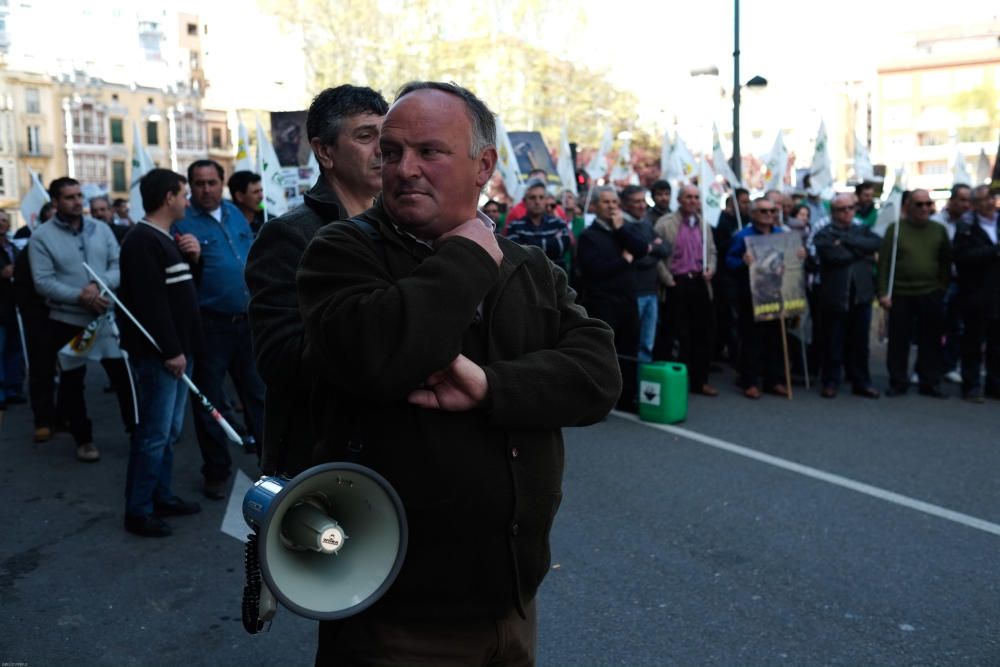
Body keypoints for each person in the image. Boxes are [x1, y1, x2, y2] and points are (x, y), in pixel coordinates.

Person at [297, 81, 620, 665]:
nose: (403, 169)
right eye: (390, 152)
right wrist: (470, 250)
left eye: (429, 152)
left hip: (511, 601)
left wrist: (495, 387)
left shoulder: (529, 268)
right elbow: (379, 353)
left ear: (484, 166)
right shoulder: (342, 251)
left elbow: (598, 375)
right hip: (395, 611)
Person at [245, 84, 389, 478]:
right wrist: (387, 329)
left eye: (387, 136)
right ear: (325, 152)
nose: (383, 149)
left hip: (395, 454)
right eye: (365, 136)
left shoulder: (408, 228)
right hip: (322, 457)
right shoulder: (290, 235)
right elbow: (280, 360)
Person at [172, 159, 264, 498]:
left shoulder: (233, 212)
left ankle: (273, 468)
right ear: (190, 186)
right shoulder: (182, 221)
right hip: (210, 326)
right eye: (199, 183)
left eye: (212, 182)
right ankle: (216, 470)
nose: (206, 189)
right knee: (210, 402)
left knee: (258, 396)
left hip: (247, 322)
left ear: (222, 184)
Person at [119, 169, 203, 537]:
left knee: (169, 432)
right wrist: (170, 351)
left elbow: (182, 293)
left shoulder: (169, 239)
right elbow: (151, 305)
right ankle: (138, 510)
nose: (187, 200)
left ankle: (161, 495)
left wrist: (194, 259)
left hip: (179, 352)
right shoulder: (142, 241)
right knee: (153, 434)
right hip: (161, 357)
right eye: (183, 194)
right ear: (168, 197)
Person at [28, 177, 134, 461]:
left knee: (124, 379)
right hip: (67, 320)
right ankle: (83, 439)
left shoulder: (101, 229)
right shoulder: (41, 237)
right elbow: (42, 282)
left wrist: (99, 286)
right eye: (69, 197)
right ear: (55, 202)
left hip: (106, 318)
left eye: (79, 196)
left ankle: (137, 432)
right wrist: (80, 295)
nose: (77, 202)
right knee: (73, 384)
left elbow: (118, 265)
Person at [577, 186, 649, 410]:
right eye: (606, 203)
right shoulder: (589, 236)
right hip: (603, 301)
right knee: (604, 353)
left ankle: (627, 398)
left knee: (629, 349)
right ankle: (602, 399)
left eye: (614, 203)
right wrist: (624, 261)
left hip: (627, 300)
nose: (611, 207)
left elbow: (642, 249)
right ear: (596, 206)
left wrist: (620, 231)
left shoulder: (623, 230)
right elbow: (594, 270)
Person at [877, 189, 951, 397]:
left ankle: (930, 381)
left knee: (931, 340)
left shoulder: (938, 230)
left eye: (928, 204)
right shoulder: (896, 230)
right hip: (901, 293)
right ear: (908, 205)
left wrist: (941, 288)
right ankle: (898, 381)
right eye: (919, 204)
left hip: (930, 292)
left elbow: (946, 261)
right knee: (899, 340)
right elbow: (884, 264)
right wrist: (883, 292)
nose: (925, 208)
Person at [726, 198, 802, 399]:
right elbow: (729, 262)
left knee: (777, 338)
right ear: (753, 214)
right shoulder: (743, 236)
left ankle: (774, 380)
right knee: (752, 339)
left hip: (777, 294)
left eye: (771, 211)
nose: (769, 215)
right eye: (763, 211)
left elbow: (792, 261)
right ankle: (749, 381)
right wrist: (742, 261)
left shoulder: (782, 235)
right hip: (753, 295)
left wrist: (799, 255)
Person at [812, 193, 882, 398]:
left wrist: (845, 241)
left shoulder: (862, 229)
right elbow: (834, 256)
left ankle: (862, 381)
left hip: (861, 295)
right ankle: (830, 381)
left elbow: (876, 244)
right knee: (833, 341)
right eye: (842, 209)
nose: (848, 212)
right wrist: (860, 250)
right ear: (833, 212)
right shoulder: (825, 233)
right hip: (835, 296)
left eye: (851, 208)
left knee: (860, 343)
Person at [655, 184, 719, 396]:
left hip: (700, 283)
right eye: (688, 197)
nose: (693, 201)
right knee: (675, 333)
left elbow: (712, 251)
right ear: (680, 200)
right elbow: (656, 255)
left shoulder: (703, 224)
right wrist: (667, 279)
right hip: (676, 283)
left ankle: (700, 381)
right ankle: (675, 380)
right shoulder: (665, 224)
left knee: (704, 333)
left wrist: (711, 267)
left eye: (696, 197)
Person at [952, 185, 1000, 402]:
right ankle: (971, 386)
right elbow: (963, 258)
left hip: (997, 294)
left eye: (990, 198)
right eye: (982, 200)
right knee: (973, 342)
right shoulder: (966, 227)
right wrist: (994, 251)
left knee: (996, 343)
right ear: (974, 205)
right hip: (976, 294)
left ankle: (995, 384)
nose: (989, 203)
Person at [620, 185, 669, 364]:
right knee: (631, 342)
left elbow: (665, 248)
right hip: (635, 293)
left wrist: (649, 250)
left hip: (651, 292)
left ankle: (643, 385)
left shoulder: (646, 224)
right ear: (625, 204)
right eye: (637, 202)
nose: (642, 206)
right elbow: (638, 260)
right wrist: (651, 250)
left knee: (647, 344)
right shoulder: (623, 227)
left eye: (643, 201)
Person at [932, 184, 973, 384]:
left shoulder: (971, 224)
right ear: (952, 200)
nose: (966, 205)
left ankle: (948, 365)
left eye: (969, 200)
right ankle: (927, 366)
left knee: (956, 326)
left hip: (964, 281)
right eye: (962, 200)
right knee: (935, 324)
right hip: (941, 281)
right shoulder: (936, 223)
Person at [505, 180, 572, 272]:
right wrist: (550, 243)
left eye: (541, 197)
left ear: (546, 200)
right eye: (532, 197)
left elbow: (562, 247)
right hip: (527, 281)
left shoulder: (559, 223)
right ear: (524, 201)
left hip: (555, 281)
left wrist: (527, 245)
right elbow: (515, 253)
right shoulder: (514, 226)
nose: (537, 201)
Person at [0, 211, 25, 409]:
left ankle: (13, 389)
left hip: (14, 307)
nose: (2, 224)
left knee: (14, 350)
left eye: (4, 221)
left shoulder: (14, 247)